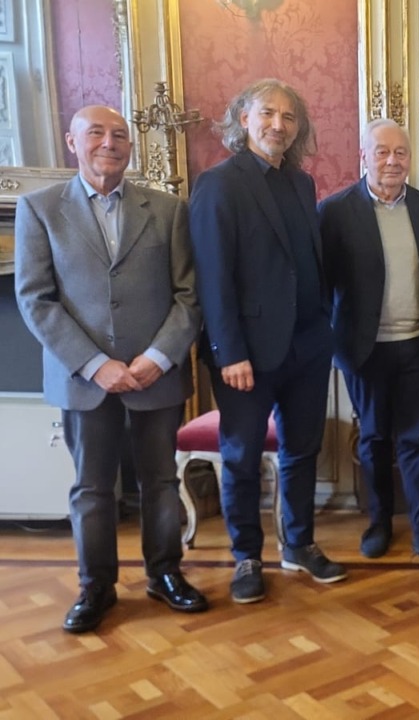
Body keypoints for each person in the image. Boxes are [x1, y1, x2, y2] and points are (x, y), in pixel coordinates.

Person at [14, 105, 208, 632]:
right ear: (72, 142)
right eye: (96, 133)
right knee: (93, 489)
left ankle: (165, 573)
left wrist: (157, 358)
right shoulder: (41, 209)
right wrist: (96, 364)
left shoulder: (167, 210)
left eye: (120, 135)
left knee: (161, 482)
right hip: (84, 380)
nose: (110, 143)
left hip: (156, 375)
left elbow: (189, 295)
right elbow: (36, 300)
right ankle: (96, 586)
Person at [190, 78, 346, 603]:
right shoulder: (218, 184)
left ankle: (298, 545)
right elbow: (213, 277)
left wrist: (323, 325)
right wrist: (229, 351)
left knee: (302, 449)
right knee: (241, 456)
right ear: (243, 119)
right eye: (268, 114)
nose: (278, 125)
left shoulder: (301, 183)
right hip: (247, 355)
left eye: (289, 117)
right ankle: (247, 557)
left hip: (307, 346)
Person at [319, 119, 419, 568]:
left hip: (417, 344)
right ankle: (378, 522)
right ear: (364, 157)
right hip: (365, 349)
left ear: (410, 159)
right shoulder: (334, 212)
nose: (392, 161)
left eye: (400, 153)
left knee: (416, 440)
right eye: (382, 152)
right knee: (374, 439)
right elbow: (323, 286)